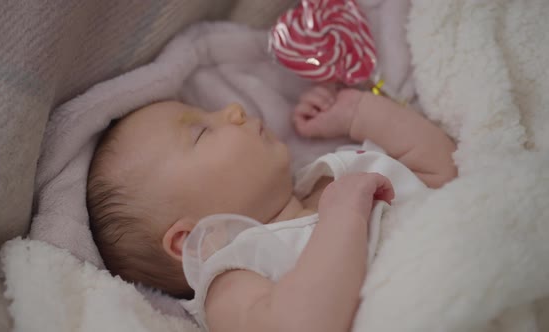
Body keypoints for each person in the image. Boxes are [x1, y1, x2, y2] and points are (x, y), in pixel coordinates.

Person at [86, 86, 457, 331]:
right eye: (201, 132)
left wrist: (361, 113)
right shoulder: (233, 277)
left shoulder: (333, 176)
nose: (231, 109)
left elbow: (446, 174)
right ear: (192, 239)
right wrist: (344, 216)